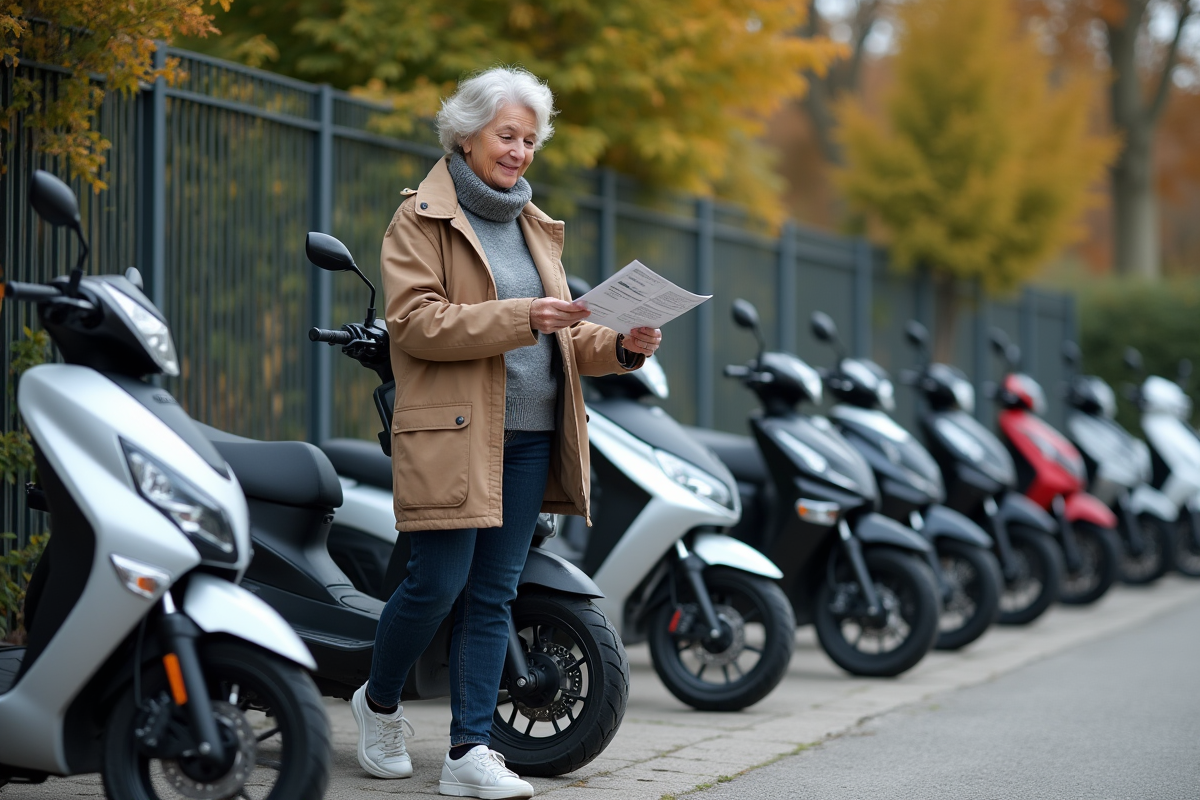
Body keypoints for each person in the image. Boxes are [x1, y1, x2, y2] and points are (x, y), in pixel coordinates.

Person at [350, 66, 663, 800]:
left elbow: (561, 339)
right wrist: (523, 318)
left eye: (530, 139)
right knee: (436, 585)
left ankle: (469, 753)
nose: (521, 151)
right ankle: (379, 701)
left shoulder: (533, 224)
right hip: (455, 436)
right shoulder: (419, 218)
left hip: (529, 435)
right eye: (507, 136)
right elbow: (416, 325)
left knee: (493, 593)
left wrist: (621, 345)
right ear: (466, 134)